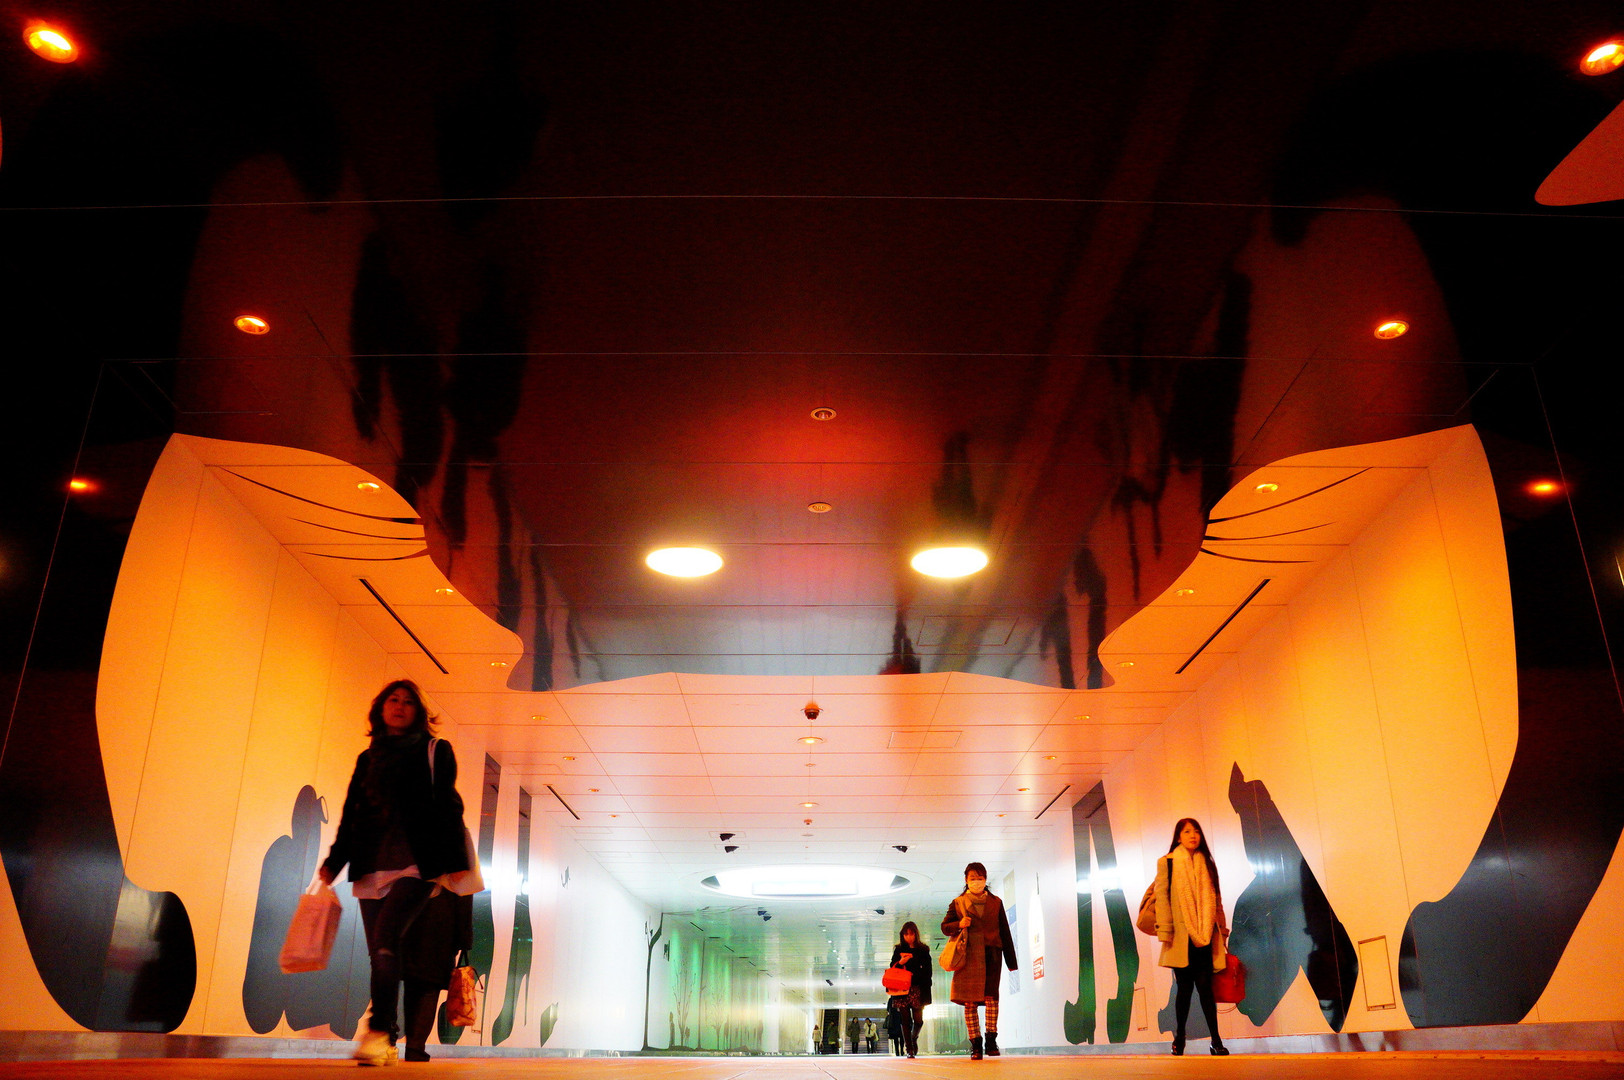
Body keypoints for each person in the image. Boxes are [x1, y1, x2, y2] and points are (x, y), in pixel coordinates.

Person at [320, 680, 474, 1065]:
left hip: (416, 865)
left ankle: (375, 1031)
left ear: (419, 712)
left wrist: (457, 863)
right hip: (371, 864)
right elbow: (352, 814)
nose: (400, 706)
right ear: (381, 708)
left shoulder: (435, 750)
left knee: (386, 941)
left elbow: (448, 805)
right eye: (393, 700)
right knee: (380, 954)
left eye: (408, 702)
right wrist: (334, 862)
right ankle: (386, 1036)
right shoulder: (368, 758)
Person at [1154, 817, 1230, 1056]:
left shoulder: (1207, 863)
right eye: (1187, 832)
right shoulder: (1167, 863)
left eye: (1196, 831)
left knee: (1206, 988)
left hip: (1205, 935)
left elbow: (1216, 899)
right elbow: (1162, 899)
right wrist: (1166, 930)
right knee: (1184, 989)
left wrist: (1222, 930)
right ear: (1178, 836)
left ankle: (1216, 1040)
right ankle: (1180, 1037)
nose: (1193, 835)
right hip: (1180, 937)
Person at [941, 862, 1017, 1060]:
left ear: (985, 879)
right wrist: (959, 924)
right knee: (970, 1001)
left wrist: (1011, 962)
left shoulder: (996, 902)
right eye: (972, 878)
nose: (976, 882)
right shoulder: (958, 903)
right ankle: (975, 1044)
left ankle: (991, 1040)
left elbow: (1005, 931)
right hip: (968, 956)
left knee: (992, 999)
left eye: (980, 878)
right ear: (966, 880)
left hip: (992, 955)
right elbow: (945, 927)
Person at [887, 920, 933, 1058]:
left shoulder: (923, 950)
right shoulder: (899, 949)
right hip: (902, 989)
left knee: (918, 1020)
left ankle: (913, 1038)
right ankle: (909, 1048)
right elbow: (892, 968)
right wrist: (901, 962)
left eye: (911, 934)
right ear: (902, 935)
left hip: (917, 988)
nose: (909, 937)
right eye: (906, 934)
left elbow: (928, 970)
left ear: (915, 934)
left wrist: (918, 971)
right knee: (905, 1020)